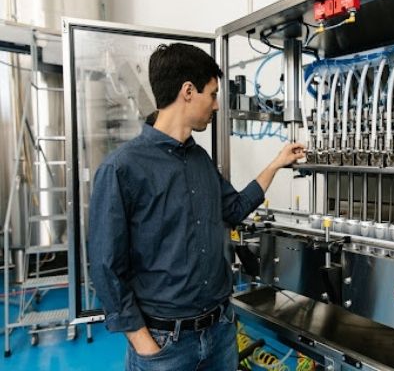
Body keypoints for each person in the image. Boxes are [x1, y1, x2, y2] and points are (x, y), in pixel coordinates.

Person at [88, 43, 304, 371]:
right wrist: (144, 343)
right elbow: (105, 266)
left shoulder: (200, 159)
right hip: (165, 344)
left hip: (218, 333)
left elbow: (234, 208)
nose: (216, 105)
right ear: (188, 92)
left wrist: (276, 164)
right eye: (213, 94)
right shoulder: (122, 168)